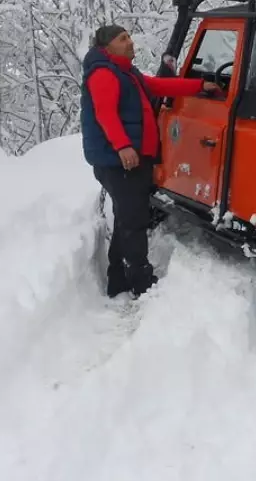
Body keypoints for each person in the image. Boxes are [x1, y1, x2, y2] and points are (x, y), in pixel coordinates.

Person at [81, 24, 220, 299]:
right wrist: (123, 147)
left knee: (125, 218)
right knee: (133, 220)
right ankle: (141, 282)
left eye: (129, 36)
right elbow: (105, 114)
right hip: (118, 162)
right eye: (123, 39)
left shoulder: (126, 72)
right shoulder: (104, 74)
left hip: (129, 159)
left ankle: (117, 280)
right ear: (106, 47)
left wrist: (199, 85)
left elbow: (158, 85)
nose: (131, 41)